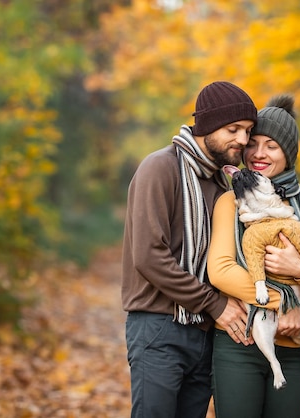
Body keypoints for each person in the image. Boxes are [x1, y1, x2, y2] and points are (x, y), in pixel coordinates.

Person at [122, 81, 258, 418]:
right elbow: (149, 256)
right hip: (158, 325)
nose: (243, 140)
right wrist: (213, 303)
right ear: (207, 126)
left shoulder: (221, 182)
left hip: (205, 332)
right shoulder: (160, 168)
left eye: (248, 131)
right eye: (234, 129)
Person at [207, 94, 300, 417]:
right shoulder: (230, 202)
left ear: (288, 154)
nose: (258, 154)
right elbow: (221, 270)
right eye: (252, 143)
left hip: (296, 350)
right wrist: (290, 304)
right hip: (239, 345)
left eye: (271, 146)